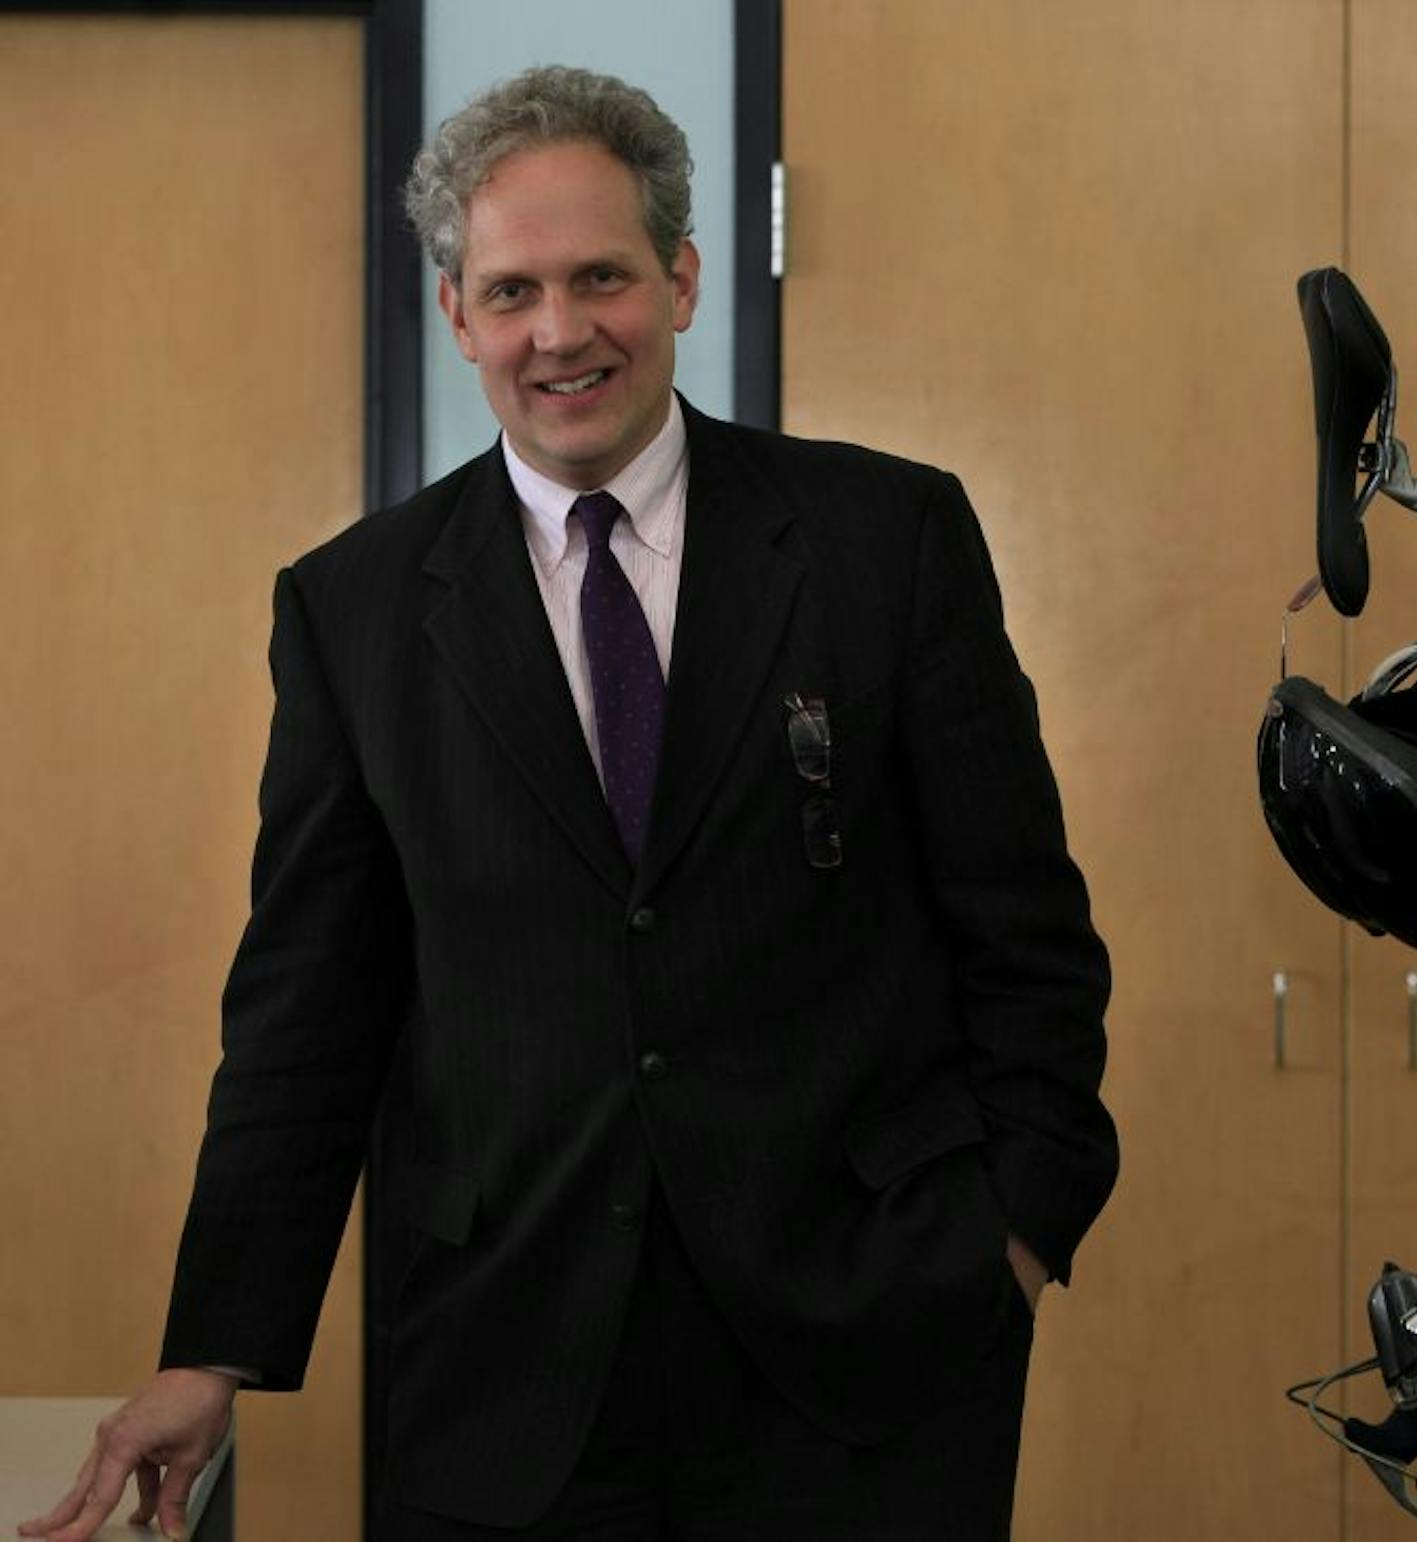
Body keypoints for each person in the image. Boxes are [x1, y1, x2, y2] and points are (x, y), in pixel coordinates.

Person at [21, 65, 1115, 1542]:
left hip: (868, 1359)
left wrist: (1015, 1237)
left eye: (601, 275)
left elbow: (1025, 931)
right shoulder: (352, 613)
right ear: (458, 313)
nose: (560, 331)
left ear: (680, 279)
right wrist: (210, 1346)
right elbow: (306, 1012)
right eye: (513, 288)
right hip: (506, 1375)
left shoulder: (886, 538)